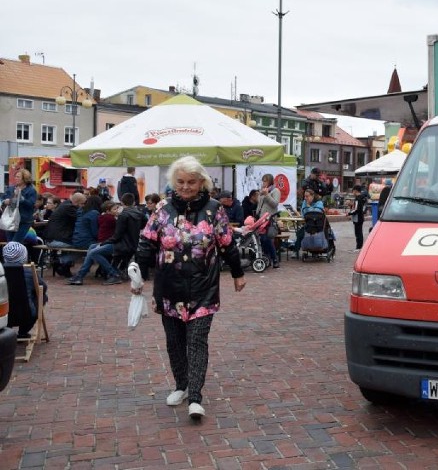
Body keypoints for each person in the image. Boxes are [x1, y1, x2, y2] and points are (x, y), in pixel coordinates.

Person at [135, 155, 246, 421]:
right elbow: (147, 243)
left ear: (201, 182)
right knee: (174, 342)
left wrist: (238, 273)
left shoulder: (214, 208)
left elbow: (227, 242)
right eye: (181, 181)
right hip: (169, 287)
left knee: (196, 341)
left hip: (203, 287)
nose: (185, 187)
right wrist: (136, 275)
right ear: (174, 182)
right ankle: (181, 385)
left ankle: (195, 397)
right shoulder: (162, 209)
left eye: (191, 182)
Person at [67, 200, 121, 286]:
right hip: (110, 242)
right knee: (92, 248)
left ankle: (113, 274)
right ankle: (80, 276)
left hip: (112, 243)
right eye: (115, 209)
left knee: (93, 251)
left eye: (117, 209)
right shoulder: (111, 219)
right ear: (108, 211)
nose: (117, 211)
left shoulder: (103, 217)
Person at [2, 242, 48, 339]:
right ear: (24, 255)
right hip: (26, 314)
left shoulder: (1, 272)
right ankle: (23, 332)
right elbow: (43, 287)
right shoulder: (29, 271)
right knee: (42, 296)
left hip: (3, 313)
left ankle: (6, 329)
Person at [45, 192, 86, 277]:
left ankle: (64, 267)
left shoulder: (65, 205)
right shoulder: (70, 208)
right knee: (82, 247)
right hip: (56, 240)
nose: (83, 206)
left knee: (76, 245)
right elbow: (81, 219)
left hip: (52, 239)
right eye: (82, 204)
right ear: (77, 202)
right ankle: (61, 261)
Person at [2, 168, 38, 244]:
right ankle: (10, 256)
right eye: (15, 176)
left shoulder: (31, 190)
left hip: (24, 221)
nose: (16, 178)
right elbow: (4, 198)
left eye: (18, 177)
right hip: (11, 219)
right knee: (9, 243)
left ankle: (18, 255)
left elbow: (31, 204)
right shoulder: (11, 188)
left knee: (15, 242)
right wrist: (5, 201)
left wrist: (20, 197)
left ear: (24, 179)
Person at [256, 174, 281, 268]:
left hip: (269, 219)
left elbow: (275, 204)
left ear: (270, 181)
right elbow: (259, 204)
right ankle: (267, 258)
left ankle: (274, 259)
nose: (263, 183)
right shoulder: (263, 191)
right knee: (262, 239)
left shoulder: (275, 190)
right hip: (261, 219)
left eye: (265, 181)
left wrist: (266, 195)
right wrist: (260, 195)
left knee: (267, 239)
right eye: (263, 181)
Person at [348, 185, 367, 251]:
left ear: (355, 190)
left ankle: (358, 247)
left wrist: (349, 213)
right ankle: (360, 246)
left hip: (357, 218)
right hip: (361, 217)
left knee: (358, 233)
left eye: (353, 191)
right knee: (360, 232)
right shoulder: (363, 197)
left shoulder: (357, 198)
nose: (352, 192)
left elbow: (356, 209)